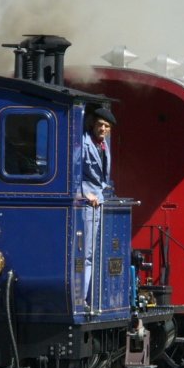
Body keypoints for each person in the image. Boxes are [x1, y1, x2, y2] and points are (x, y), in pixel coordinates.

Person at [81, 106, 116, 309]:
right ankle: (82, 298)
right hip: (87, 203)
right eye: (100, 125)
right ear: (93, 125)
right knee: (86, 254)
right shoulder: (83, 143)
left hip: (100, 202)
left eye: (107, 126)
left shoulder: (104, 146)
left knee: (94, 254)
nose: (103, 129)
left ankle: (93, 297)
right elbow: (73, 173)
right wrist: (85, 193)